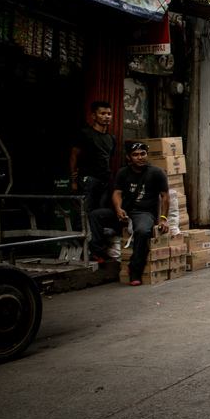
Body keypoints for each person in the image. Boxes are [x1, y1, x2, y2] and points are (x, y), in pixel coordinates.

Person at [89, 142, 170, 286]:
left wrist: (163, 218)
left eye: (142, 154)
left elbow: (165, 197)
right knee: (96, 215)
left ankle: (135, 270)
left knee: (143, 231)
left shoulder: (157, 173)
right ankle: (98, 253)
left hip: (144, 213)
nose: (140, 157)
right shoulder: (123, 173)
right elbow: (117, 193)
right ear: (129, 157)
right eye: (135, 155)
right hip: (126, 211)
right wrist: (118, 209)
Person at [69, 101, 116, 211]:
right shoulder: (85, 134)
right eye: (102, 113)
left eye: (109, 114)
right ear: (94, 116)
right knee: (85, 212)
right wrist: (74, 182)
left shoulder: (111, 138)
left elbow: (109, 159)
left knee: (100, 213)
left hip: (105, 181)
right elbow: (73, 156)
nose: (106, 116)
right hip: (88, 180)